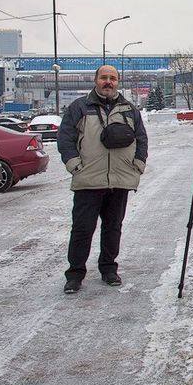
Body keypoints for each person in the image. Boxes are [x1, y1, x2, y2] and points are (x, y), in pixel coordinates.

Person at [57, 65, 148, 294]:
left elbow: (141, 138)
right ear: (96, 80)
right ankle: (75, 274)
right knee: (82, 229)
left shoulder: (129, 109)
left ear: (118, 82)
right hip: (88, 179)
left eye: (113, 78)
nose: (108, 82)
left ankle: (108, 269)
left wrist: (138, 164)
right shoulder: (80, 107)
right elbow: (65, 138)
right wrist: (74, 165)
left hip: (119, 180)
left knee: (112, 228)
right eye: (104, 77)